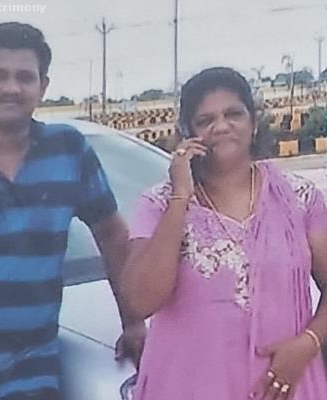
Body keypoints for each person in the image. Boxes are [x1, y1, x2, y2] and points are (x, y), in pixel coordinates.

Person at [0, 22, 143, 400]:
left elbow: (111, 234)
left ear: (43, 86)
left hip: (31, 381)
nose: (11, 87)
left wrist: (133, 321)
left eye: (25, 77)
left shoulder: (69, 152)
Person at [121, 67, 327, 399]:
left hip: (285, 384)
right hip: (189, 388)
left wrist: (308, 343)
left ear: (253, 122)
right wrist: (180, 197)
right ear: (188, 133)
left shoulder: (298, 198)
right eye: (205, 120)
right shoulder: (158, 204)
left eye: (233, 114)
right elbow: (142, 301)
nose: (221, 126)